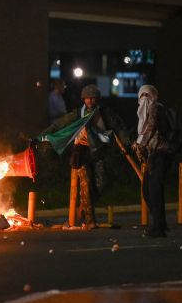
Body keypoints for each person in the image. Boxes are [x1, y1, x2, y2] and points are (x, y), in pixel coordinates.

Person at [44, 84, 126, 229]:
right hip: (81, 152)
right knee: (86, 184)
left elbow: (119, 127)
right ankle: (90, 221)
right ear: (84, 99)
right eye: (88, 98)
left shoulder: (104, 113)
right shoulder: (77, 114)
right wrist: (44, 135)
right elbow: (59, 124)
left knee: (101, 184)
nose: (91, 101)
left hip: (99, 151)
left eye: (94, 98)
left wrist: (126, 143)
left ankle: (84, 205)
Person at [134, 84, 173, 237]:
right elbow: (145, 130)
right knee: (147, 191)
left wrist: (140, 144)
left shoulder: (156, 108)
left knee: (154, 191)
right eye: (142, 96)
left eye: (147, 96)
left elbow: (151, 127)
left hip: (161, 154)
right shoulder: (149, 110)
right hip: (154, 155)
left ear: (152, 97)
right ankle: (160, 223)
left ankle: (159, 227)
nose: (144, 99)